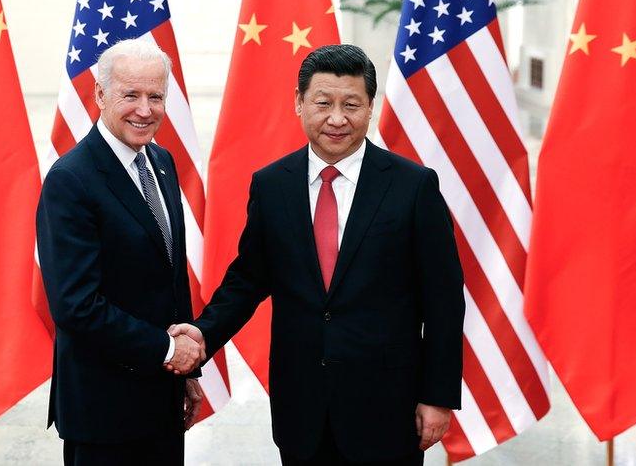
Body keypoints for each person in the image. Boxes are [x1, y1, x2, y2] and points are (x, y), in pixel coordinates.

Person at [172, 44, 465, 465]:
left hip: (387, 407)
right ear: (299, 103)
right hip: (301, 406)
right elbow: (248, 280)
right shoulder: (272, 185)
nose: (337, 118)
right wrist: (203, 334)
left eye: (351, 104)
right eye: (323, 103)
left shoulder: (413, 186)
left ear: (370, 108)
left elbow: (444, 301)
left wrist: (437, 397)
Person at [36, 39, 205, 466]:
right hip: (104, 411)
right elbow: (76, 305)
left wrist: (186, 371)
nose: (145, 110)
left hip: (161, 401)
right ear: (100, 95)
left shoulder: (162, 163)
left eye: (156, 96)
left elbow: (170, 276)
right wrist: (168, 351)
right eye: (131, 95)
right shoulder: (71, 180)